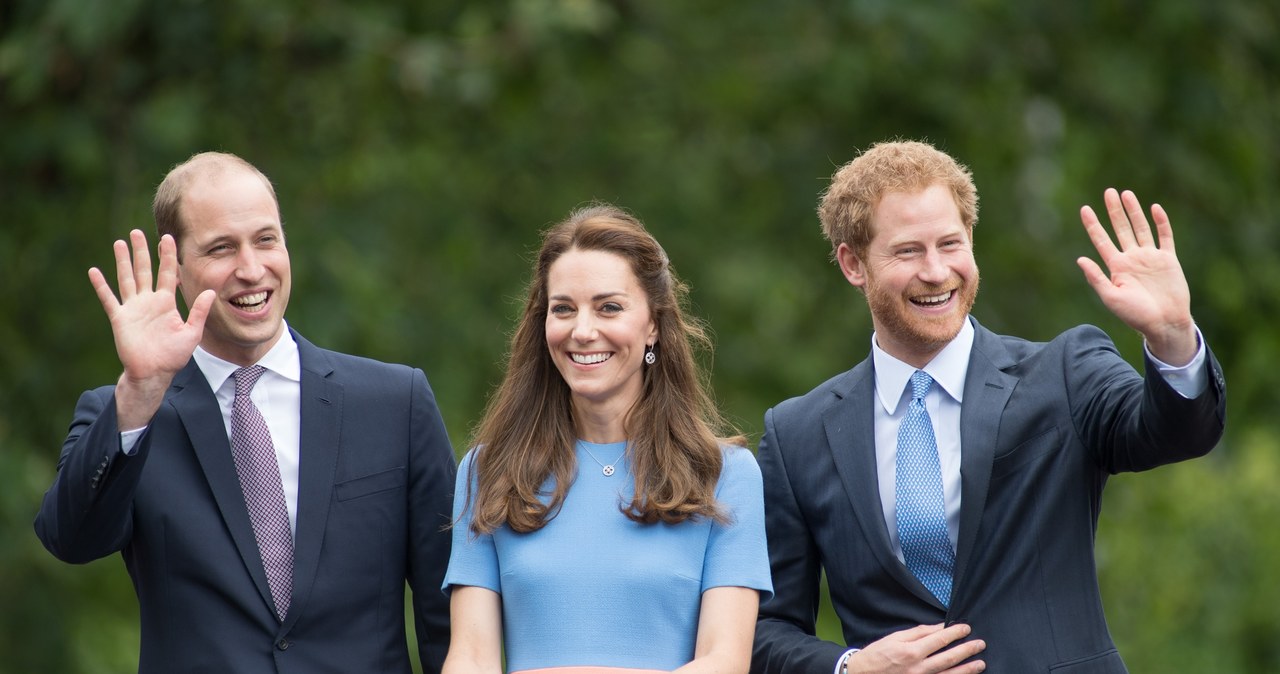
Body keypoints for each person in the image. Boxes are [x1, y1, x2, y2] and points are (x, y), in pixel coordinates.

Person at [751, 140, 1226, 673]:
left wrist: (1173, 340)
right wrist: (852, 667)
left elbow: (1178, 433)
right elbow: (763, 631)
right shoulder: (797, 434)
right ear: (853, 264)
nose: (936, 272)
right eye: (908, 251)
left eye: (950, 244)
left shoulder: (1065, 372)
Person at [34, 152, 457, 673]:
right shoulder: (125, 412)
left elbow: (451, 616)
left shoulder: (396, 402)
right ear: (178, 270)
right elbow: (71, 540)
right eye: (221, 249)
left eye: (265, 239)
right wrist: (141, 390)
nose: (252, 269)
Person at [442, 204, 772, 673]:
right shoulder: (488, 471)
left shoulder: (725, 475)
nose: (582, 331)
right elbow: (470, 659)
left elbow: (724, 662)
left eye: (609, 307)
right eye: (563, 309)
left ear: (654, 324)